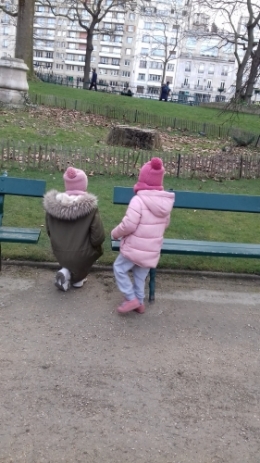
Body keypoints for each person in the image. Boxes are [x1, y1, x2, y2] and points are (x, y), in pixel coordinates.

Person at [111, 157, 175, 314]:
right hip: (152, 248)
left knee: (119, 268)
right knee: (140, 276)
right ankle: (139, 303)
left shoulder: (138, 200)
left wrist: (115, 233)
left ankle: (130, 297)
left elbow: (129, 224)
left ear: (143, 179)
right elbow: (165, 224)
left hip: (135, 247)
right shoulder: (164, 204)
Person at [44, 166, 105, 292]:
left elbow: (49, 231)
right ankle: (78, 278)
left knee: (71, 254)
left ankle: (66, 270)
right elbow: (98, 237)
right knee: (94, 248)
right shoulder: (90, 209)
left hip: (59, 250)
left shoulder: (52, 206)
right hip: (82, 253)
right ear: (84, 185)